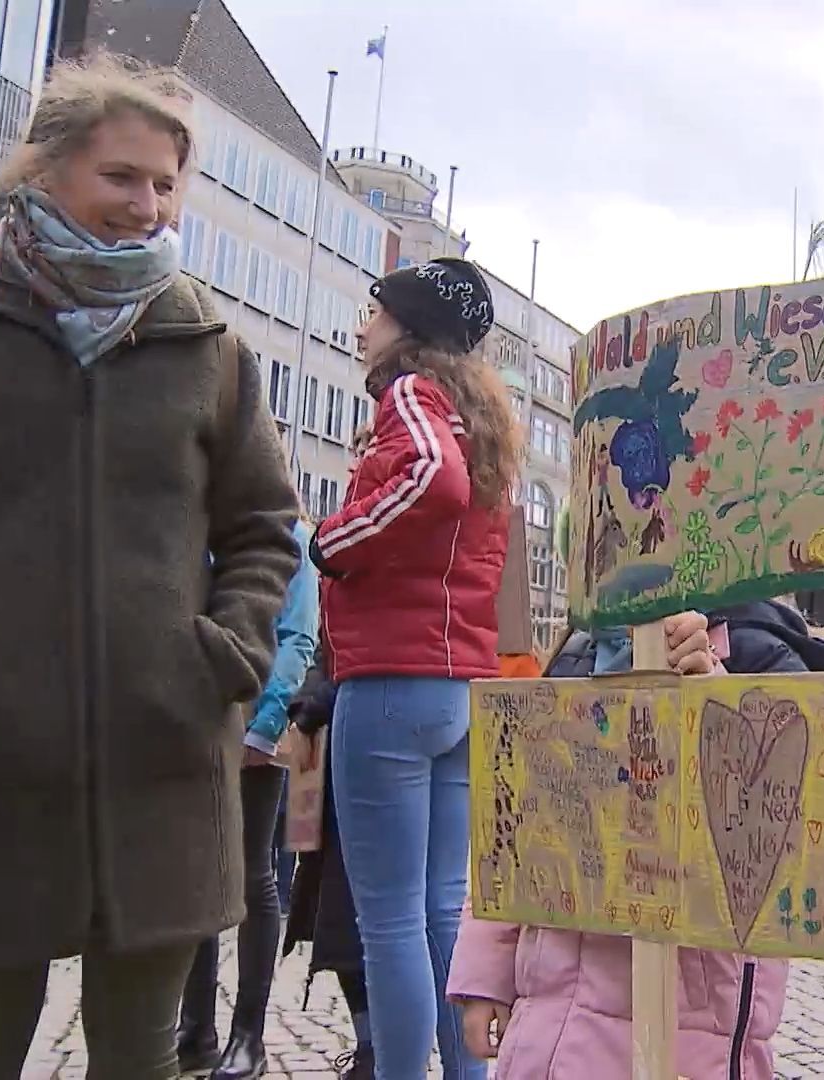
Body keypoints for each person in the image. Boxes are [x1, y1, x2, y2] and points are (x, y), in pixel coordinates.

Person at [0, 51, 299, 1079]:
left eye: (165, 184)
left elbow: (264, 531)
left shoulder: (211, 348)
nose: (146, 205)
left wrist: (220, 656)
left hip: (160, 770)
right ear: (48, 168)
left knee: (140, 1062)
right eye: (121, 177)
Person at [448, 601, 824, 1079]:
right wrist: (486, 973)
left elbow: (787, 842)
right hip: (548, 1033)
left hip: (685, 1041)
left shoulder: (758, 654)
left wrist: (713, 699)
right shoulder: (576, 656)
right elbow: (513, 835)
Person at [308, 256, 523, 1080]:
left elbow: (432, 482)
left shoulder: (408, 397)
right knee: (441, 911)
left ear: (407, 326)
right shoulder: (482, 416)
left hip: (391, 679)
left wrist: (336, 539)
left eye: (374, 309)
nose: (362, 326)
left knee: (389, 920)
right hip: (461, 686)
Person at [179, 516, 321, 1078]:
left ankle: (248, 1036)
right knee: (196, 873)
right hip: (197, 724)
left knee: (253, 874)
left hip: (257, 722)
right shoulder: (202, 521)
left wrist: (262, 726)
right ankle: (197, 1030)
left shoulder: (290, 534)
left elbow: (297, 635)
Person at [278, 647, 376, 1079]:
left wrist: (313, 706)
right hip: (337, 794)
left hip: (369, 775)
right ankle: (369, 1045)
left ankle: (378, 1050)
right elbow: (331, 651)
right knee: (339, 930)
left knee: (383, 929)